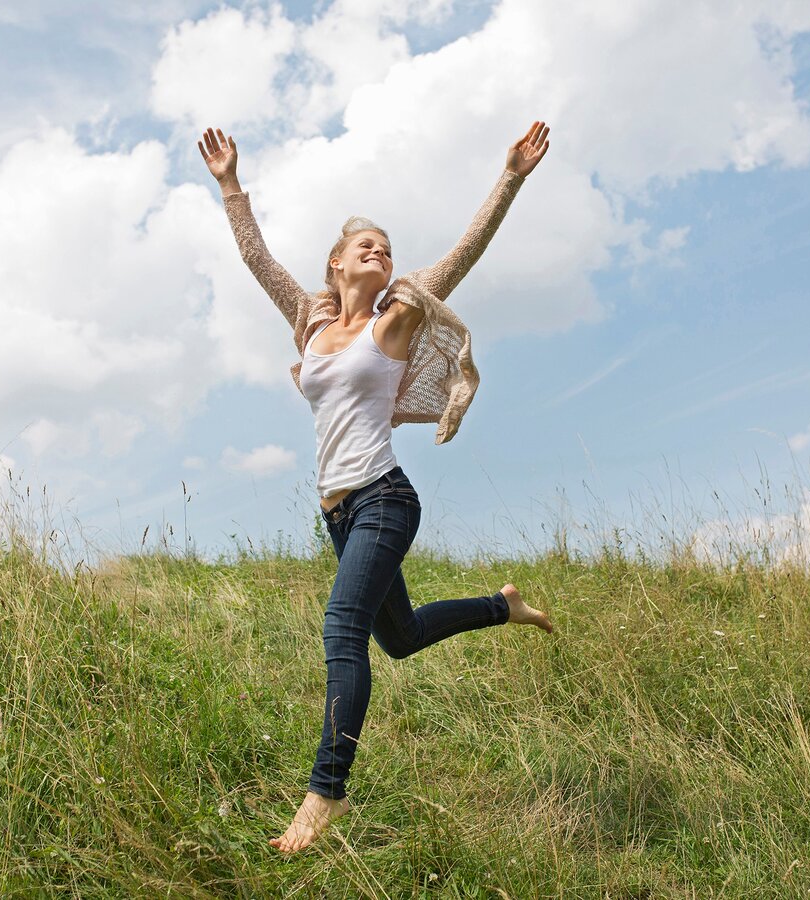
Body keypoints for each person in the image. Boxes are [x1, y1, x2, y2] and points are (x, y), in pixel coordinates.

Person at [199, 121, 554, 854]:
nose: (380, 253)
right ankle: (503, 605)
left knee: (342, 632)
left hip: (385, 498)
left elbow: (465, 250)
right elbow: (257, 259)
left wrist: (510, 176)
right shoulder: (312, 321)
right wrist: (231, 184)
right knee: (399, 636)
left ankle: (324, 795)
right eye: (366, 245)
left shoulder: (397, 318)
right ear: (335, 265)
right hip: (336, 511)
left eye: (386, 247)